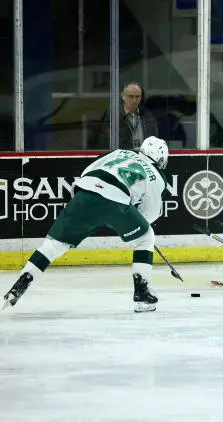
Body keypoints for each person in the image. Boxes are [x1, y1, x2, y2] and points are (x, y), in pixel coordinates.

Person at [3, 136, 170, 313]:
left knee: (54, 246)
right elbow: (150, 214)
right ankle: (142, 296)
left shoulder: (119, 152)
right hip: (115, 201)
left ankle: (20, 284)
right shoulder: (156, 176)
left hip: (85, 192)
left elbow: (89, 170)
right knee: (145, 238)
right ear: (161, 158)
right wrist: (135, 219)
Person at [89, 82, 160, 150]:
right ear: (123, 96)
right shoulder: (113, 115)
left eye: (137, 96)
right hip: (122, 159)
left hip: (142, 159)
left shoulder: (147, 116)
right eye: (131, 96)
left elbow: (154, 140)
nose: (134, 100)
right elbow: (103, 140)